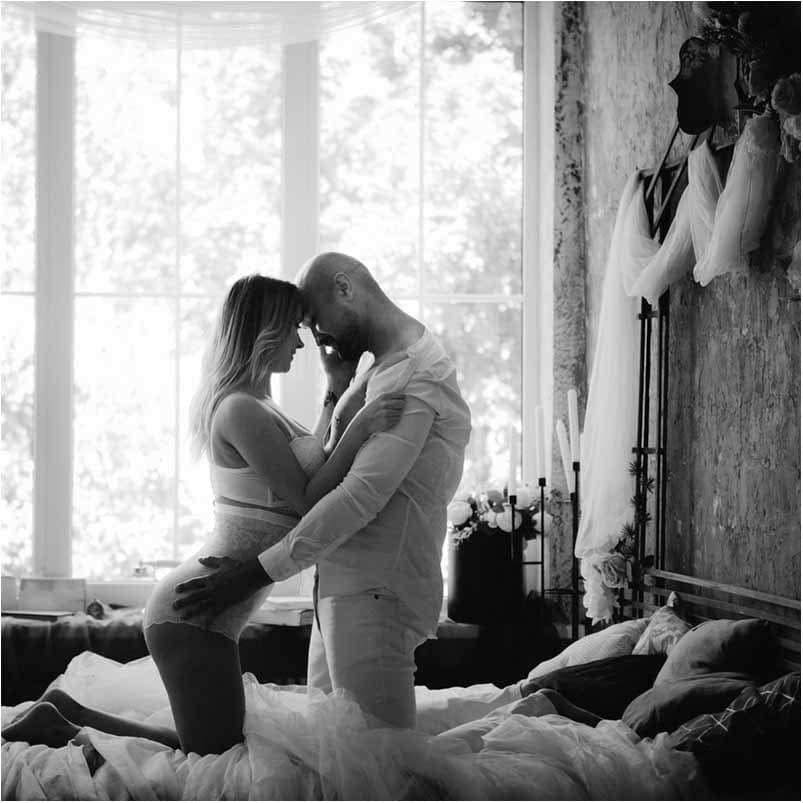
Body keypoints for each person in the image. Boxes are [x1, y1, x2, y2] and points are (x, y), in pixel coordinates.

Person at [2, 274, 405, 755]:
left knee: (213, 750)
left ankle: (66, 714)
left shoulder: (260, 404)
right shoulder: (239, 410)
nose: (301, 343)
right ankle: (64, 720)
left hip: (210, 610)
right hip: (192, 612)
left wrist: (336, 389)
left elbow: (312, 462)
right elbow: (307, 501)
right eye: (292, 329)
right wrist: (361, 429)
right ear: (265, 331)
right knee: (214, 759)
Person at [172, 252, 472, 730]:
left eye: (312, 320)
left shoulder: (412, 375)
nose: (312, 338)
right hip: (339, 590)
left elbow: (356, 496)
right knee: (330, 752)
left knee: (374, 760)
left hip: (375, 591)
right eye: (299, 327)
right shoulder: (374, 374)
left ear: (345, 289)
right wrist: (345, 398)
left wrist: (254, 574)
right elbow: (320, 478)